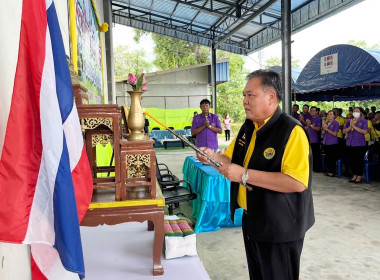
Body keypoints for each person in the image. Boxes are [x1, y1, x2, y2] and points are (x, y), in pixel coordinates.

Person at [196, 70, 314, 280]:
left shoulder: (291, 131)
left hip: (280, 224)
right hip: (253, 217)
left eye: (251, 95)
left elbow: (296, 183)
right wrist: (212, 157)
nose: (244, 101)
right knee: (258, 274)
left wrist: (245, 175)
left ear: (271, 97)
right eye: (244, 95)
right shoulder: (249, 126)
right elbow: (231, 160)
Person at [343, 107, 368, 183]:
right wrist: (350, 127)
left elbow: (364, 132)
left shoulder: (363, 121)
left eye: (357, 111)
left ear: (360, 113)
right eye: (354, 111)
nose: (355, 112)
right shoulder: (349, 121)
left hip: (359, 144)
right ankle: (354, 175)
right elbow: (344, 131)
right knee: (352, 160)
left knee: (358, 160)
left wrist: (354, 127)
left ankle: (359, 176)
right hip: (350, 143)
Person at [321, 110, 339, 177]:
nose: (329, 116)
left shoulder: (336, 123)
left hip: (333, 143)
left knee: (332, 158)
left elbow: (335, 133)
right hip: (326, 142)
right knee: (328, 157)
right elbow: (322, 133)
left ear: (334, 116)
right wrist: (324, 128)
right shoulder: (327, 122)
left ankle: (332, 171)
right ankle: (328, 170)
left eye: (331, 114)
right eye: (328, 114)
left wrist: (327, 129)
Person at [305, 106, 322, 173]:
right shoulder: (310, 119)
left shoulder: (318, 119)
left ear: (316, 112)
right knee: (311, 155)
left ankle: (317, 168)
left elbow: (318, 129)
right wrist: (308, 124)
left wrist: (311, 125)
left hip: (315, 140)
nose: (311, 112)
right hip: (310, 140)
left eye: (313, 110)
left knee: (316, 155)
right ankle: (312, 167)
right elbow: (306, 128)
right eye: (311, 110)